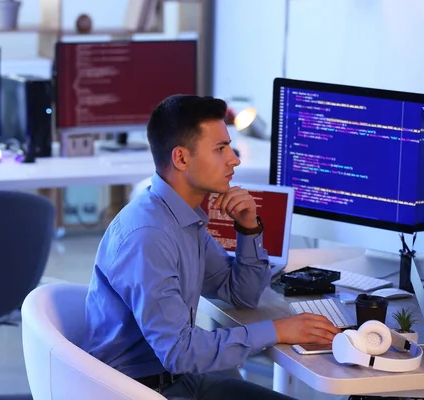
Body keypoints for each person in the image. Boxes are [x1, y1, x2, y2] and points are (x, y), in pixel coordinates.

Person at [82, 94, 340, 399]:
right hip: (139, 391)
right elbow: (179, 351)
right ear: (181, 158)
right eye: (220, 149)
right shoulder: (149, 236)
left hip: (177, 379)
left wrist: (248, 229)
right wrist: (278, 330)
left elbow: (241, 295)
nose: (234, 159)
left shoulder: (183, 219)